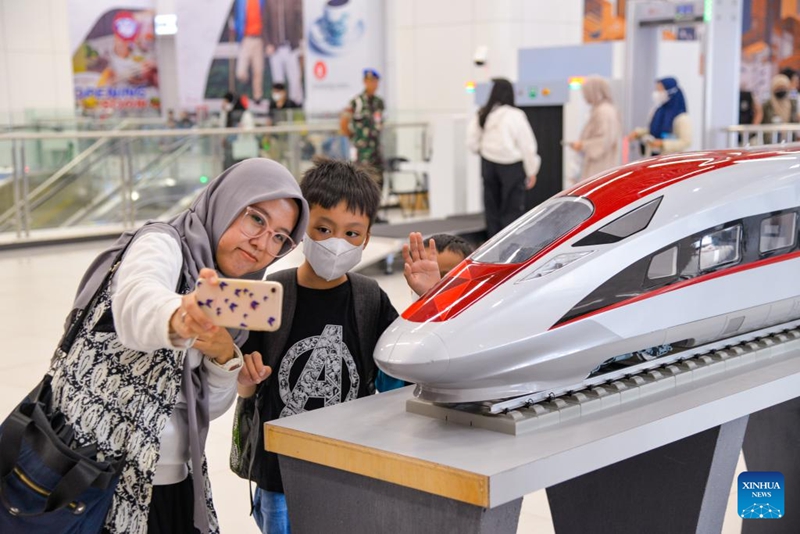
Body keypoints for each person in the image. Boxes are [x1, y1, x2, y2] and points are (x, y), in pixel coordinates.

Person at [46, 158, 309, 534]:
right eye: (256, 218)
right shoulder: (164, 243)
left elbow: (207, 409)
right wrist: (180, 316)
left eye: (280, 237)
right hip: (91, 474)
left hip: (172, 482)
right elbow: (135, 303)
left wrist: (222, 355)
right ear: (228, 201)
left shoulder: (232, 297)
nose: (263, 243)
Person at [236, 158, 434, 534]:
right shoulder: (270, 294)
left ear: (368, 238)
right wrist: (246, 379)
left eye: (352, 234)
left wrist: (429, 300)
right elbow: (243, 385)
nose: (336, 243)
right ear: (301, 229)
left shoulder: (369, 299)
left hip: (350, 468)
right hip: (280, 474)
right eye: (323, 229)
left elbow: (409, 368)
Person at [466, 77, 540, 238]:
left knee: (491, 207)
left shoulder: (483, 113)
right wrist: (532, 170)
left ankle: (492, 246)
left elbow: (472, 142)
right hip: (511, 167)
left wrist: (484, 151)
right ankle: (510, 246)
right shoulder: (515, 115)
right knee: (512, 208)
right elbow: (527, 145)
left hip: (488, 164)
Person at [569, 76, 622, 181]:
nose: (584, 96)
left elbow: (604, 141)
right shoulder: (599, 110)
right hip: (595, 166)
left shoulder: (604, 112)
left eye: (586, 92)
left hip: (600, 167)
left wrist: (583, 145)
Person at [341, 69, 386, 191]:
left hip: (376, 151)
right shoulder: (357, 102)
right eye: (370, 81)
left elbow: (379, 122)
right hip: (362, 153)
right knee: (362, 185)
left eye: (375, 81)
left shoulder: (379, 102)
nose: (373, 84)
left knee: (379, 184)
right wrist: (353, 137)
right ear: (364, 82)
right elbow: (344, 122)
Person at [630, 77, 691, 156]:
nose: (657, 93)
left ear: (670, 92)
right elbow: (653, 130)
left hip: (670, 159)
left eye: (660, 89)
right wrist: (638, 133)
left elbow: (686, 141)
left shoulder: (682, 117)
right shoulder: (658, 111)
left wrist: (663, 143)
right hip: (653, 156)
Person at [235, 0, 265, 102]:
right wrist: (238, 31)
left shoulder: (262, 1)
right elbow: (237, 16)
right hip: (246, 39)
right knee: (240, 72)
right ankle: (247, 83)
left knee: (258, 70)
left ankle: (257, 97)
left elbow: (266, 16)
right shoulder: (240, 1)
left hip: (259, 38)